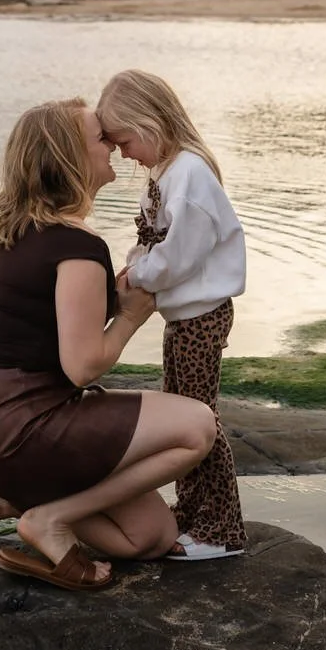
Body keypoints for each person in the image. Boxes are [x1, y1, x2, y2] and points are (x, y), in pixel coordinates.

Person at [0, 97, 216, 591]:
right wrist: (128, 317)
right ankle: (51, 519)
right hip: (29, 431)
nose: (112, 145)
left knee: (147, 536)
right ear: (68, 158)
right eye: (99, 137)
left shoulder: (13, 230)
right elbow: (83, 367)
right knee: (197, 427)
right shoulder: (77, 248)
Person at [97, 69, 247, 561]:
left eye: (123, 141)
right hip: (182, 316)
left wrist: (136, 277)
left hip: (202, 316)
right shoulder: (166, 174)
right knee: (181, 412)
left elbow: (177, 256)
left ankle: (221, 531)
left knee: (200, 420)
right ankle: (191, 511)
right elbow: (151, 242)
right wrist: (136, 264)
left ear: (149, 123)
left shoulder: (190, 176)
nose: (121, 153)